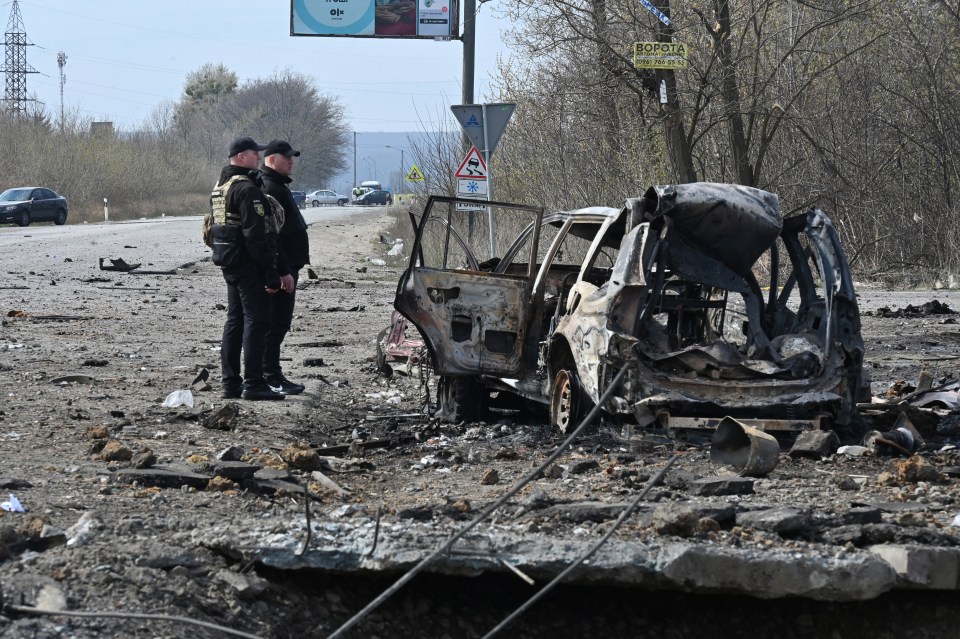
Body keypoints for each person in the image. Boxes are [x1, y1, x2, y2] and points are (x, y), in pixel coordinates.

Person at [211, 136, 289, 401]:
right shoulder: (246, 189)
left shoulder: (220, 187)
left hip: (229, 262)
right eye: (254, 153)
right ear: (241, 156)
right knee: (257, 322)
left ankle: (230, 383)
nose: (258, 157)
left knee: (234, 321)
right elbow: (256, 235)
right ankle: (254, 383)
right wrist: (271, 273)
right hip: (249, 266)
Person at [260, 139, 308, 395]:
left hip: (288, 267)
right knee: (275, 324)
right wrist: (281, 270)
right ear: (271, 160)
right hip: (282, 269)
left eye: (292, 157)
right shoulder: (270, 187)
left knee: (279, 323)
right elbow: (273, 235)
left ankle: (272, 374)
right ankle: (270, 376)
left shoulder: (278, 185)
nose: (292, 161)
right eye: (286, 157)